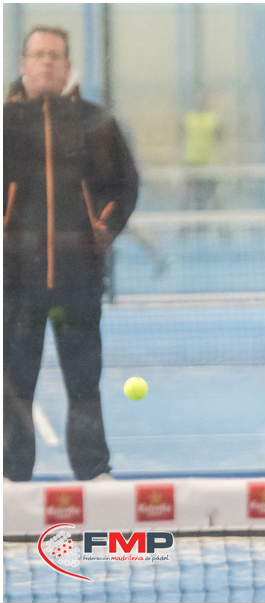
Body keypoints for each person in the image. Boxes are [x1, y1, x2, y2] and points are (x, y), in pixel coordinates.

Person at [4, 26, 139, 482]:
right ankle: (12, 476)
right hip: (16, 282)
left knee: (84, 384)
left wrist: (103, 228)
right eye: (39, 54)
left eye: (55, 56)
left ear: (66, 66)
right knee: (14, 386)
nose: (47, 62)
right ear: (23, 63)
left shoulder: (96, 122)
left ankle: (94, 472)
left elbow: (125, 185)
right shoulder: (3, 123)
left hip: (78, 280)